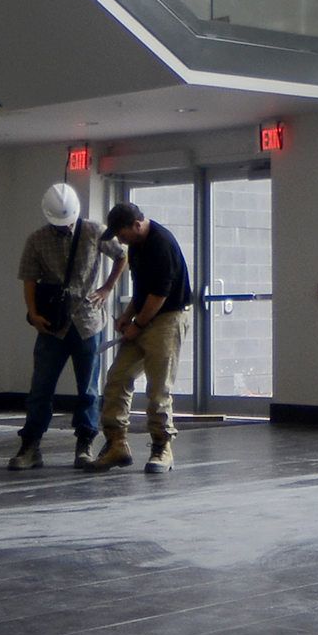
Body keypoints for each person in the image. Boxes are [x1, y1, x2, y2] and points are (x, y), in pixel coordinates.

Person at [10, 183, 125, 470]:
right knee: (41, 388)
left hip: (88, 321)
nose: (65, 227)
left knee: (88, 390)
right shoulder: (37, 239)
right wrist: (33, 314)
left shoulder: (94, 231)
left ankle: (85, 443)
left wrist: (107, 288)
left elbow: (121, 255)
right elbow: (29, 279)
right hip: (53, 323)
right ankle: (30, 445)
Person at [86, 201, 192, 475]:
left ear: (136, 225)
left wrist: (138, 324)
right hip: (146, 315)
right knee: (118, 377)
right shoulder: (135, 245)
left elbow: (159, 294)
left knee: (158, 388)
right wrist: (127, 315)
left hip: (167, 319)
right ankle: (117, 444)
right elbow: (142, 291)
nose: (120, 241)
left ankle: (162, 447)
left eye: (121, 234)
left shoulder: (161, 244)